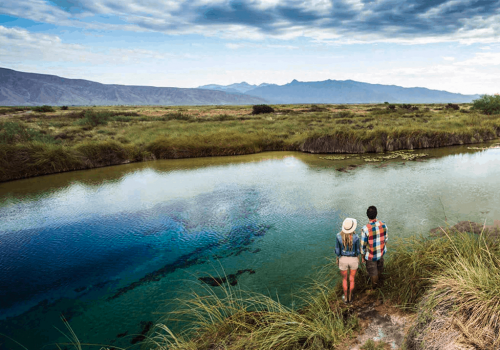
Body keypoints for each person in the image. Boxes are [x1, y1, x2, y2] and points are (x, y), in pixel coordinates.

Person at [360, 206, 388, 291]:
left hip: (371, 255)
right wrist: (381, 248)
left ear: (367, 215)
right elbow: (386, 239)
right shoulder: (383, 224)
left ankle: (374, 288)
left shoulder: (365, 229)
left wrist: (362, 256)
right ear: (376, 214)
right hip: (381, 252)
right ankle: (379, 282)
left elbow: (363, 245)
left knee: (373, 273)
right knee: (379, 268)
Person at [335, 218, 361, 303]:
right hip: (353, 259)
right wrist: (358, 258)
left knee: (344, 280)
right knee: (352, 279)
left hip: (343, 260)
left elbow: (337, 251)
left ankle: (345, 298)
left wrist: (338, 258)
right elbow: (358, 251)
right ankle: (350, 297)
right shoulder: (356, 237)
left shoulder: (338, 236)